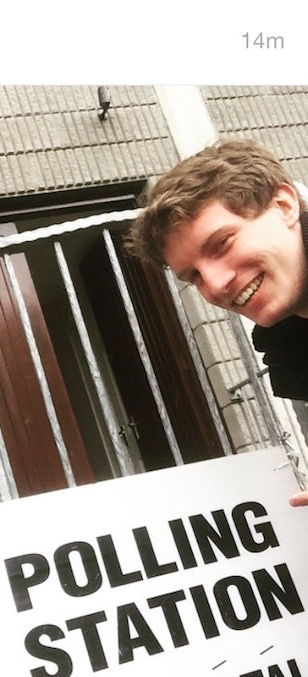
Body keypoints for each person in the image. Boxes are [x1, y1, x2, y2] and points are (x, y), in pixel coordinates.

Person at [128, 139, 308, 507]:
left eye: (222, 243)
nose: (215, 284)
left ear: (284, 205)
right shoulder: (291, 348)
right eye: (193, 276)